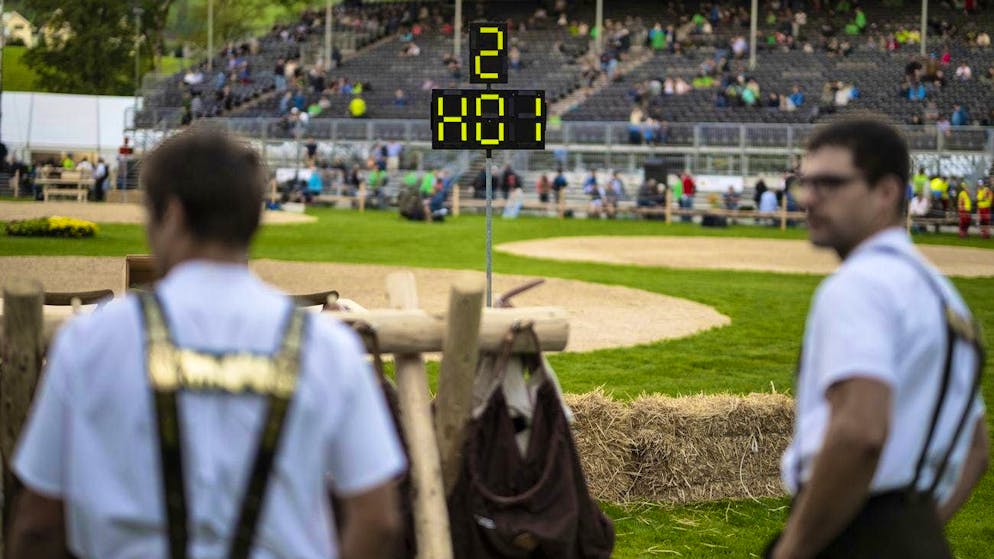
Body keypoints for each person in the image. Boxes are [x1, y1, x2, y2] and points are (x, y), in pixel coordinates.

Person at [7, 126, 406, 559]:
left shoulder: (90, 340)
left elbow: (37, 525)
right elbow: (378, 519)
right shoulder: (328, 348)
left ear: (173, 215)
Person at [769, 119, 988, 559]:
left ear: (886, 193)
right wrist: (914, 532)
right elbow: (977, 449)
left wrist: (793, 549)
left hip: (852, 532)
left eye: (830, 183)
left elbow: (860, 432)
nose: (810, 198)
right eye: (805, 183)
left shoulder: (860, 285)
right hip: (916, 532)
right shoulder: (943, 294)